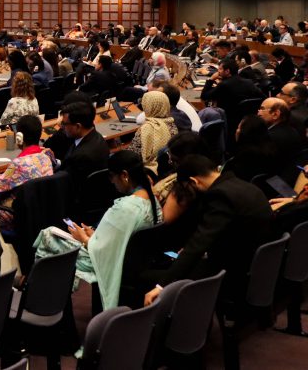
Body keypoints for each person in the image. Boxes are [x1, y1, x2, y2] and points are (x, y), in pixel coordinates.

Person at [35, 150, 160, 310]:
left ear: (124, 175)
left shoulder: (125, 208)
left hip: (111, 261)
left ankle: (46, 304)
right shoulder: (153, 201)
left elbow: (105, 250)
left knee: (49, 235)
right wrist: (94, 235)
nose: (112, 182)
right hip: (136, 260)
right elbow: (121, 238)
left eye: (111, 176)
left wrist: (84, 239)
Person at [143, 155, 273, 307]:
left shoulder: (220, 196)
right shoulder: (246, 186)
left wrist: (161, 286)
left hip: (233, 272)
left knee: (146, 278)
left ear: (194, 181)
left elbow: (200, 242)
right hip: (255, 263)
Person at [0, 115, 55, 230]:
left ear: (19, 137)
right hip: (40, 211)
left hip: (18, 214)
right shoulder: (46, 156)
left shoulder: (17, 164)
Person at [59, 100, 109, 192]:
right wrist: (56, 162)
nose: (61, 127)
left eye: (64, 124)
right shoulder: (97, 136)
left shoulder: (81, 156)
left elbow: (64, 183)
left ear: (78, 126)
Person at [126, 90, 177, 173]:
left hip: (149, 172)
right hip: (169, 169)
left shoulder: (146, 129)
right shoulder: (172, 124)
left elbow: (133, 155)